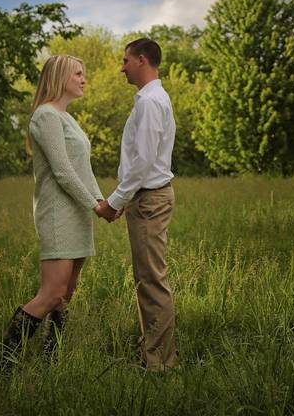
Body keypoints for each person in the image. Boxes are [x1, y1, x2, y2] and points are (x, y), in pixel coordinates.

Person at [0, 54, 108, 369]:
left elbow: (82, 170)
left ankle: (50, 359)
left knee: (66, 294)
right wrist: (95, 205)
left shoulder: (68, 118)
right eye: (78, 74)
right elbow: (62, 172)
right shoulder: (45, 116)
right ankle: (1, 362)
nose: (84, 79)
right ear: (60, 77)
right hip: (59, 213)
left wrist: (102, 202)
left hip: (78, 213)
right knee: (51, 293)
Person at [93, 38, 177, 369]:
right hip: (145, 197)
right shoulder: (151, 99)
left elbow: (142, 163)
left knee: (152, 281)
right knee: (147, 279)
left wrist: (114, 202)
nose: (121, 67)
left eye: (125, 60)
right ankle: (153, 356)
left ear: (142, 60)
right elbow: (140, 160)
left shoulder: (150, 102)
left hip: (149, 200)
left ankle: (160, 364)